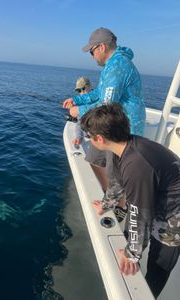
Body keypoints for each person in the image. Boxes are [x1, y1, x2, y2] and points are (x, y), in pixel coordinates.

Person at [80, 103, 180, 298]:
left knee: (159, 264)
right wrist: (106, 204)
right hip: (160, 199)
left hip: (174, 216)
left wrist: (132, 254)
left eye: (89, 137)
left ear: (100, 138)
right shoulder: (124, 146)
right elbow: (117, 181)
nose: (89, 141)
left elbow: (139, 214)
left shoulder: (136, 165)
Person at [63, 27, 146, 220]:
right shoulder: (111, 65)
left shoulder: (118, 66)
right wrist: (77, 100)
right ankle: (113, 198)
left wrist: (79, 112)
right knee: (93, 159)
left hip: (124, 129)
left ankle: (123, 204)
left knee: (116, 172)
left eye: (91, 51)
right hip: (110, 124)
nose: (91, 56)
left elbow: (106, 104)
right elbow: (100, 93)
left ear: (101, 47)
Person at [72, 77, 92, 146]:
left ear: (89, 86)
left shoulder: (100, 98)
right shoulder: (80, 103)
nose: (82, 93)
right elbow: (79, 122)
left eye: (83, 89)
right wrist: (79, 136)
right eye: (79, 91)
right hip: (91, 138)